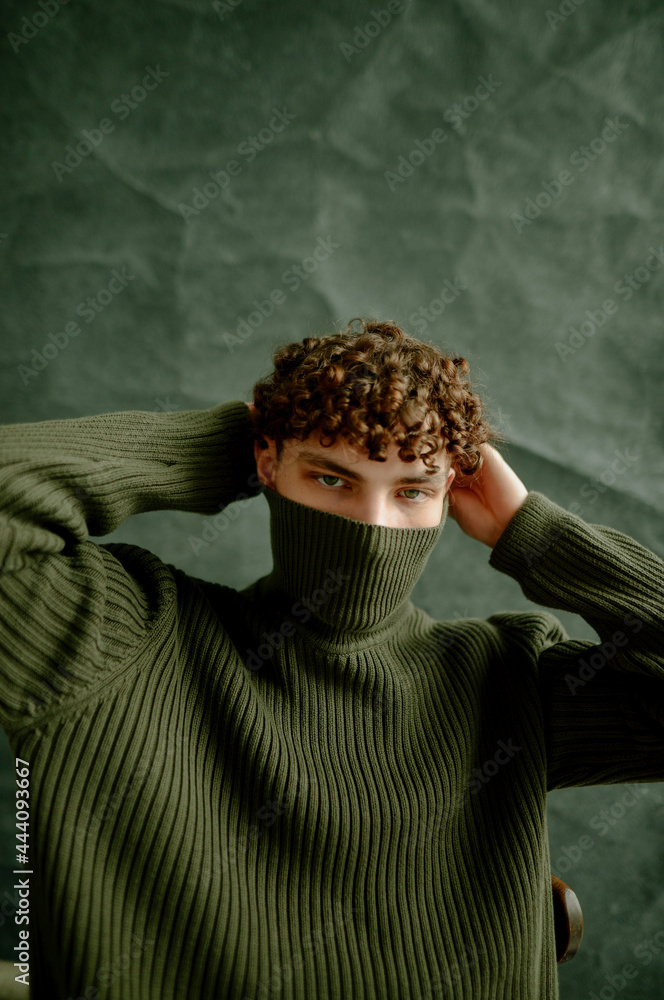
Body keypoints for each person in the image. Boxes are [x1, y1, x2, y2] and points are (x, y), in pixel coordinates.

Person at [0, 318, 662, 1000]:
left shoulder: (506, 675)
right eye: (332, 478)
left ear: (449, 499)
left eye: (412, 491)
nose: (373, 529)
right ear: (268, 465)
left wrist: (535, 532)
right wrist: (238, 441)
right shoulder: (121, 637)